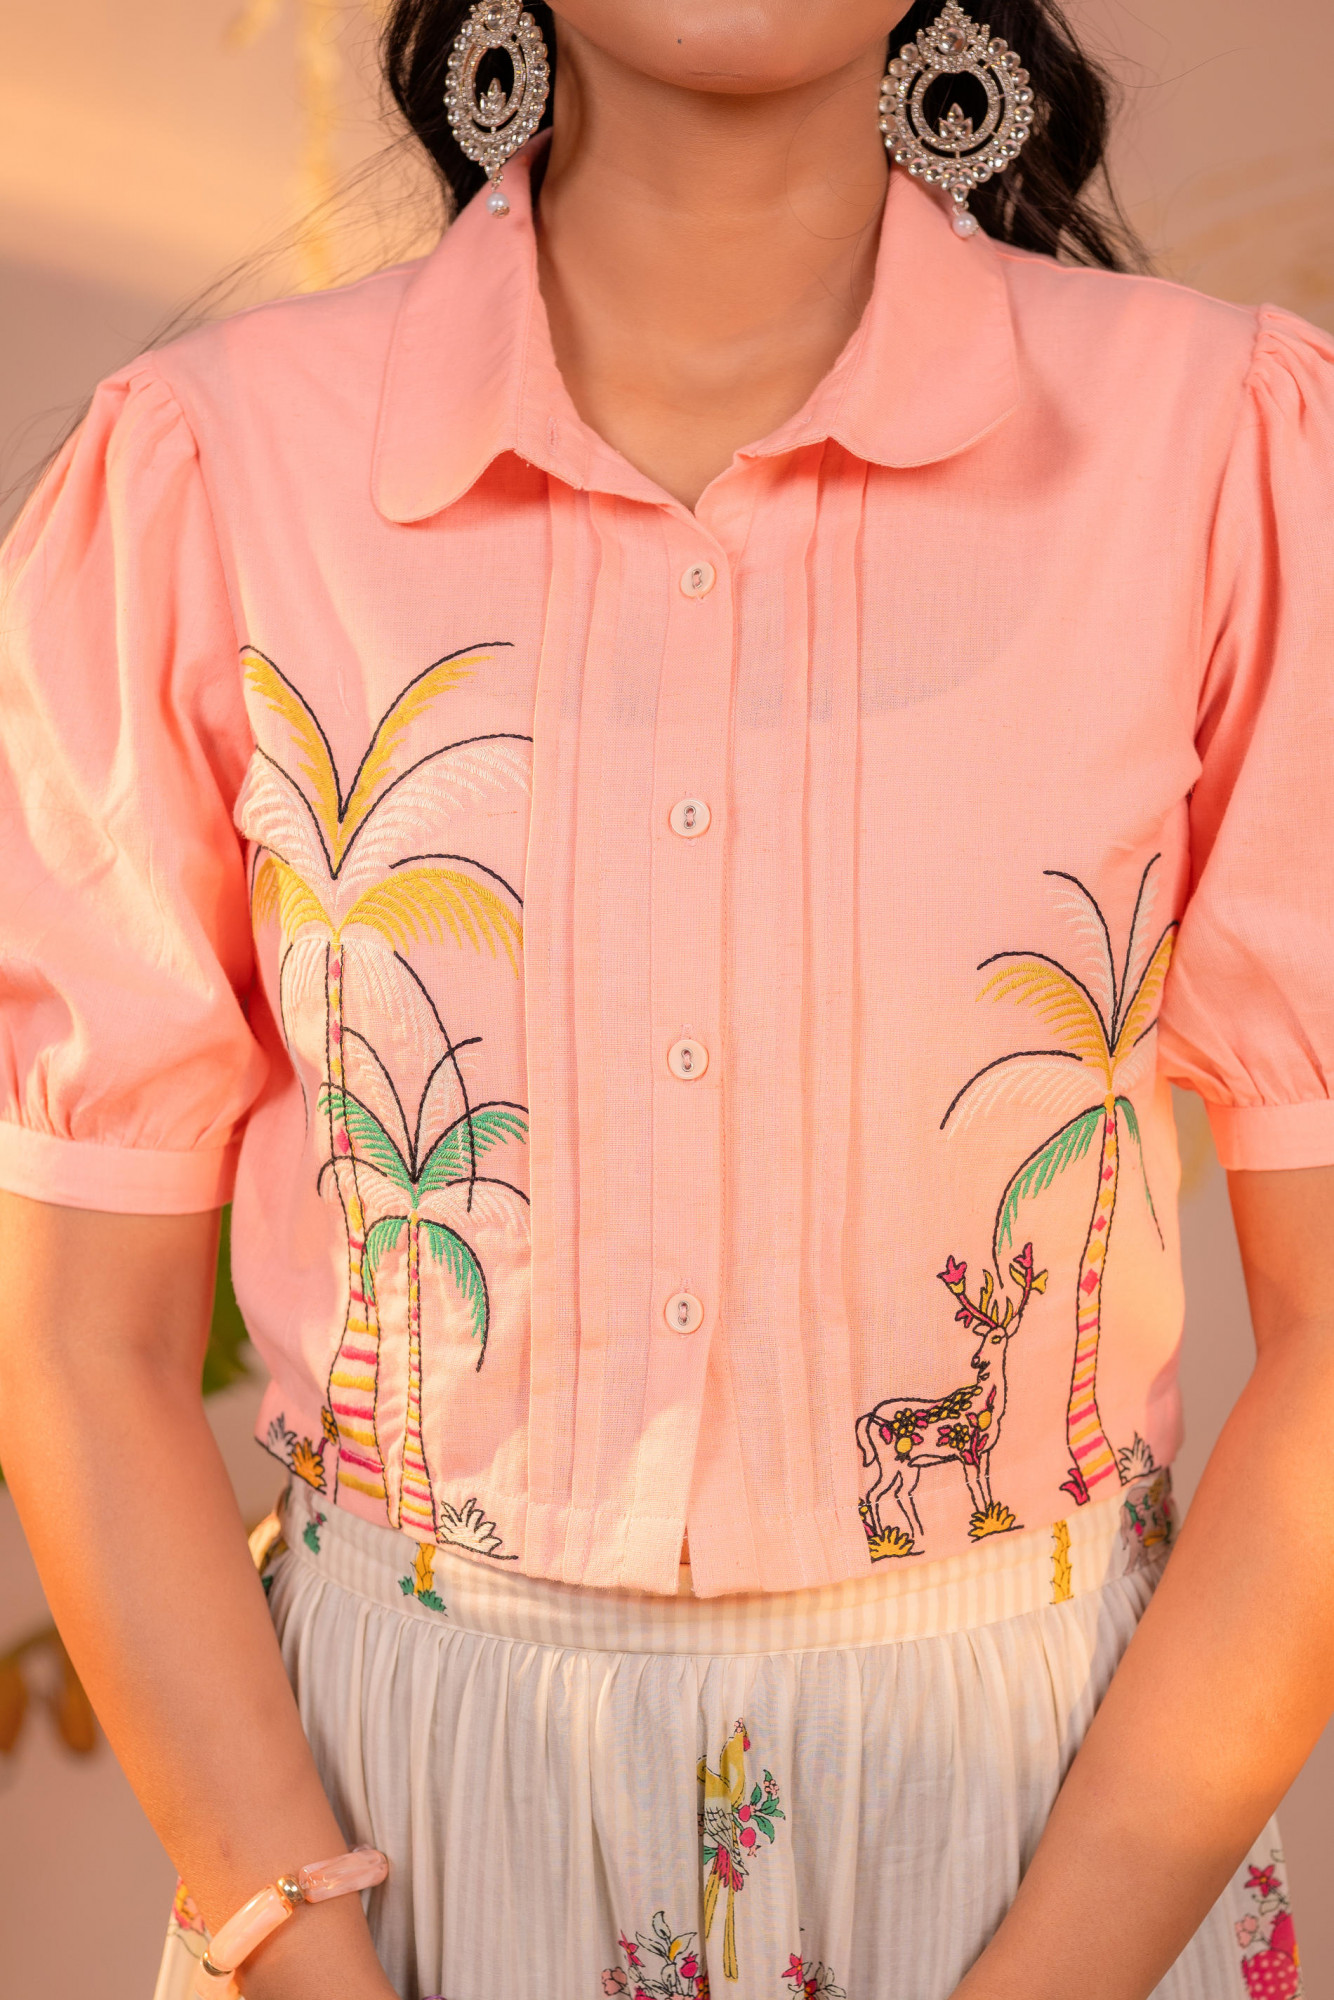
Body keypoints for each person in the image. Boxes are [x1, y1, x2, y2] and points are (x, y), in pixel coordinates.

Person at [0, 2, 1331, 1997]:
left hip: (1050, 1846)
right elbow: (79, 1343)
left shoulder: (1223, 452)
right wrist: (305, 1948)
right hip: (384, 1842)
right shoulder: (204, 477)